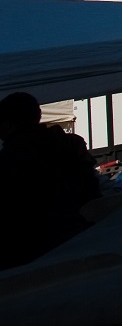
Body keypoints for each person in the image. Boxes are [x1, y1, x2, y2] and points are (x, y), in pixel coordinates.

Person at [0, 91, 99, 268]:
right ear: (38, 115)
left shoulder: (9, 159)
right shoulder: (71, 147)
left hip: (31, 256)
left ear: (7, 124)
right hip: (80, 243)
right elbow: (93, 196)